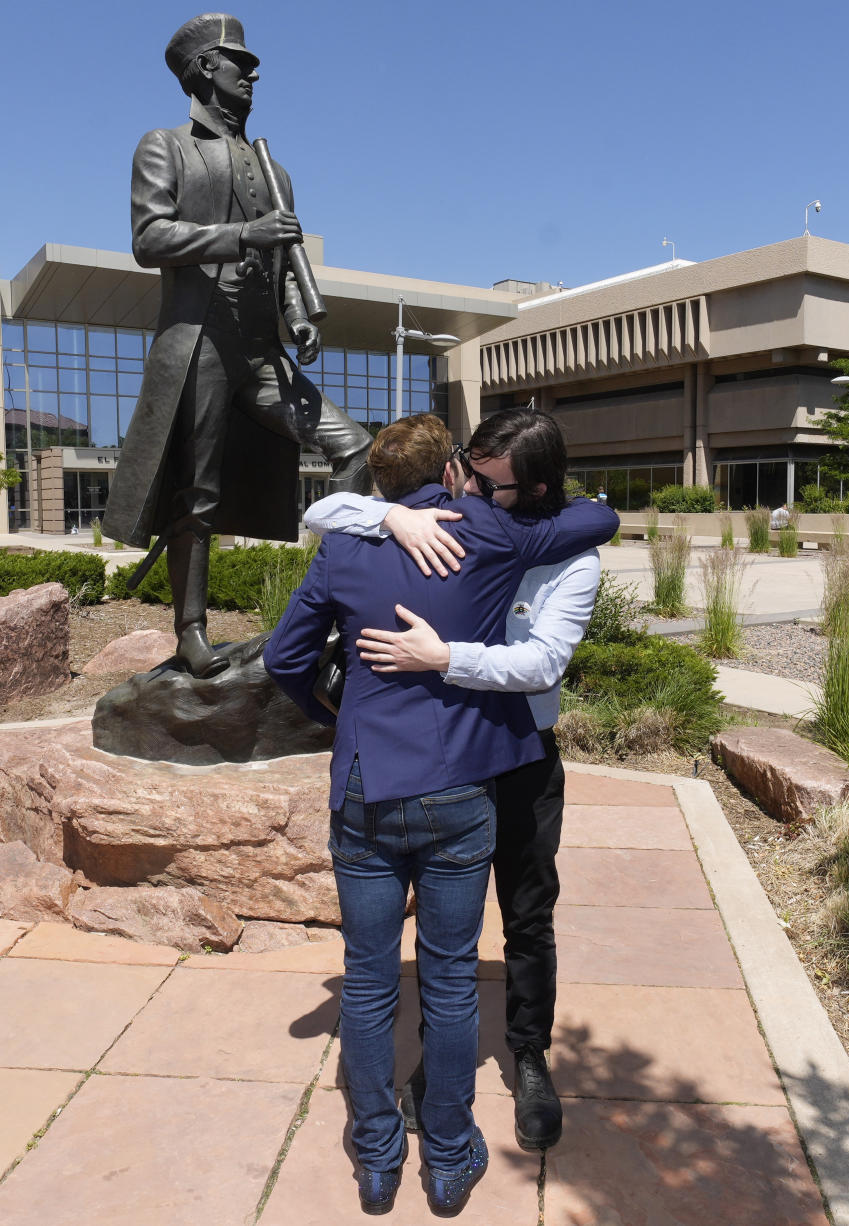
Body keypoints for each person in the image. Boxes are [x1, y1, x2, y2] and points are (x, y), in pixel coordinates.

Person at [264, 413, 617, 1215]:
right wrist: (398, 513)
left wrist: (335, 715)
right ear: (452, 468)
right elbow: (601, 512)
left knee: (367, 978)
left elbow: (283, 656)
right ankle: (450, 1158)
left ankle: (379, 1159)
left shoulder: (350, 546)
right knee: (453, 980)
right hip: (460, 784)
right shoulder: (491, 534)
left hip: (368, 784)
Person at [102, 13, 371, 680]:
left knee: (355, 447)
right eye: (236, 62)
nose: (251, 73)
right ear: (201, 71)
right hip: (199, 345)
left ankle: (330, 608)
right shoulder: (165, 145)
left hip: (259, 355)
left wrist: (295, 317)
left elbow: (279, 264)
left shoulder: (272, 167)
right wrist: (240, 236)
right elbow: (149, 238)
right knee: (197, 493)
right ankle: (190, 633)